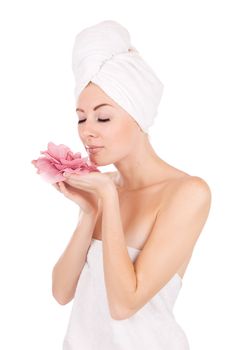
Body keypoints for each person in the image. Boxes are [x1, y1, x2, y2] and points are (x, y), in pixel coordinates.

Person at [52, 21, 212, 350]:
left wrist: (108, 201)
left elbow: (124, 304)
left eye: (103, 117)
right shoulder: (102, 188)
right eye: (81, 117)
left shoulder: (187, 193)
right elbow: (62, 292)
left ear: (138, 116)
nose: (87, 132)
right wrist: (88, 211)